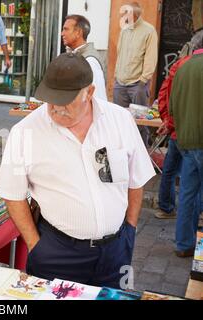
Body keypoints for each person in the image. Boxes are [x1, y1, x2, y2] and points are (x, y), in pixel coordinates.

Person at [0, 53, 155, 288]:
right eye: (51, 99)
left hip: (115, 251)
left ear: (89, 92)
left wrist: (129, 230)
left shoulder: (120, 120)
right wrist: (35, 246)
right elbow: (12, 194)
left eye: (65, 99)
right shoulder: (25, 131)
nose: (56, 108)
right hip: (56, 253)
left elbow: (136, 179)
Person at [154, 29, 203, 220]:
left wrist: (168, 121)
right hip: (189, 133)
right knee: (191, 186)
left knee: (182, 183)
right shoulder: (184, 66)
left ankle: (183, 243)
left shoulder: (180, 66)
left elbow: (166, 97)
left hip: (179, 131)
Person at [169, 33, 203, 258]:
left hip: (184, 140)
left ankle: (183, 244)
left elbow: (171, 107)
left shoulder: (182, 67)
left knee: (188, 194)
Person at [113, 2, 158, 147]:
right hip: (120, 84)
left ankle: (142, 157)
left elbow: (151, 59)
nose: (124, 17)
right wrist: (116, 76)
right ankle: (123, 154)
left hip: (137, 84)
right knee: (119, 122)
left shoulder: (149, 31)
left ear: (135, 15)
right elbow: (120, 54)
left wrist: (143, 81)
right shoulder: (124, 30)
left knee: (139, 124)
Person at [62, 14, 107, 101]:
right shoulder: (75, 55)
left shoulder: (90, 61)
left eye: (66, 29)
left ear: (78, 32)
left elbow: (98, 98)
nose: (62, 33)